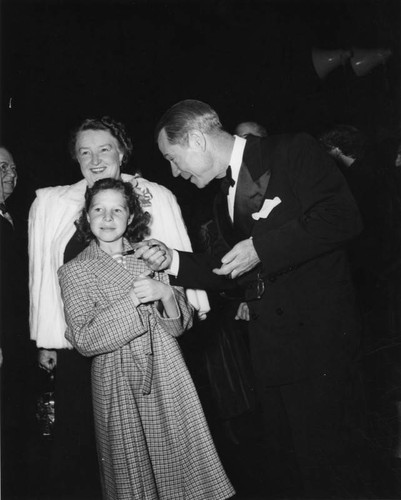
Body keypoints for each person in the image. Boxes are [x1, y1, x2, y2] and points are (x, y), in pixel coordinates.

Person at [136, 99, 365, 498]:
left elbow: (342, 217)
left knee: (330, 469)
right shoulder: (220, 197)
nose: (174, 172)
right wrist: (172, 260)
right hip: (271, 351)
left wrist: (262, 247)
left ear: (194, 139)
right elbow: (231, 272)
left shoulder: (291, 150)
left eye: (173, 158)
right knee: (291, 470)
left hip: (318, 345)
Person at [28, 116, 209, 496]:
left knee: (165, 454)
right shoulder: (55, 203)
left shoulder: (152, 197)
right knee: (93, 449)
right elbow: (43, 277)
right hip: (83, 346)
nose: (94, 159)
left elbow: (173, 278)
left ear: (123, 152)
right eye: (84, 151)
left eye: (104, 149)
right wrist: (45, 339)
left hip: (153, 350)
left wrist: (171, 299)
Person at [57, 178, 234, 500]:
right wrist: (134, 300)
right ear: (86, 216)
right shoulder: (74, 270)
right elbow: (83, 338)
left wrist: (166, 293)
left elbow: (180, 326)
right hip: (118, 381)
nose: (107, 218)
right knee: (133, 476)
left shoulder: (150, 255)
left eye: (117, 210)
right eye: (98, 209)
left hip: (168, 372)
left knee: (184, 470)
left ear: (131, 216)